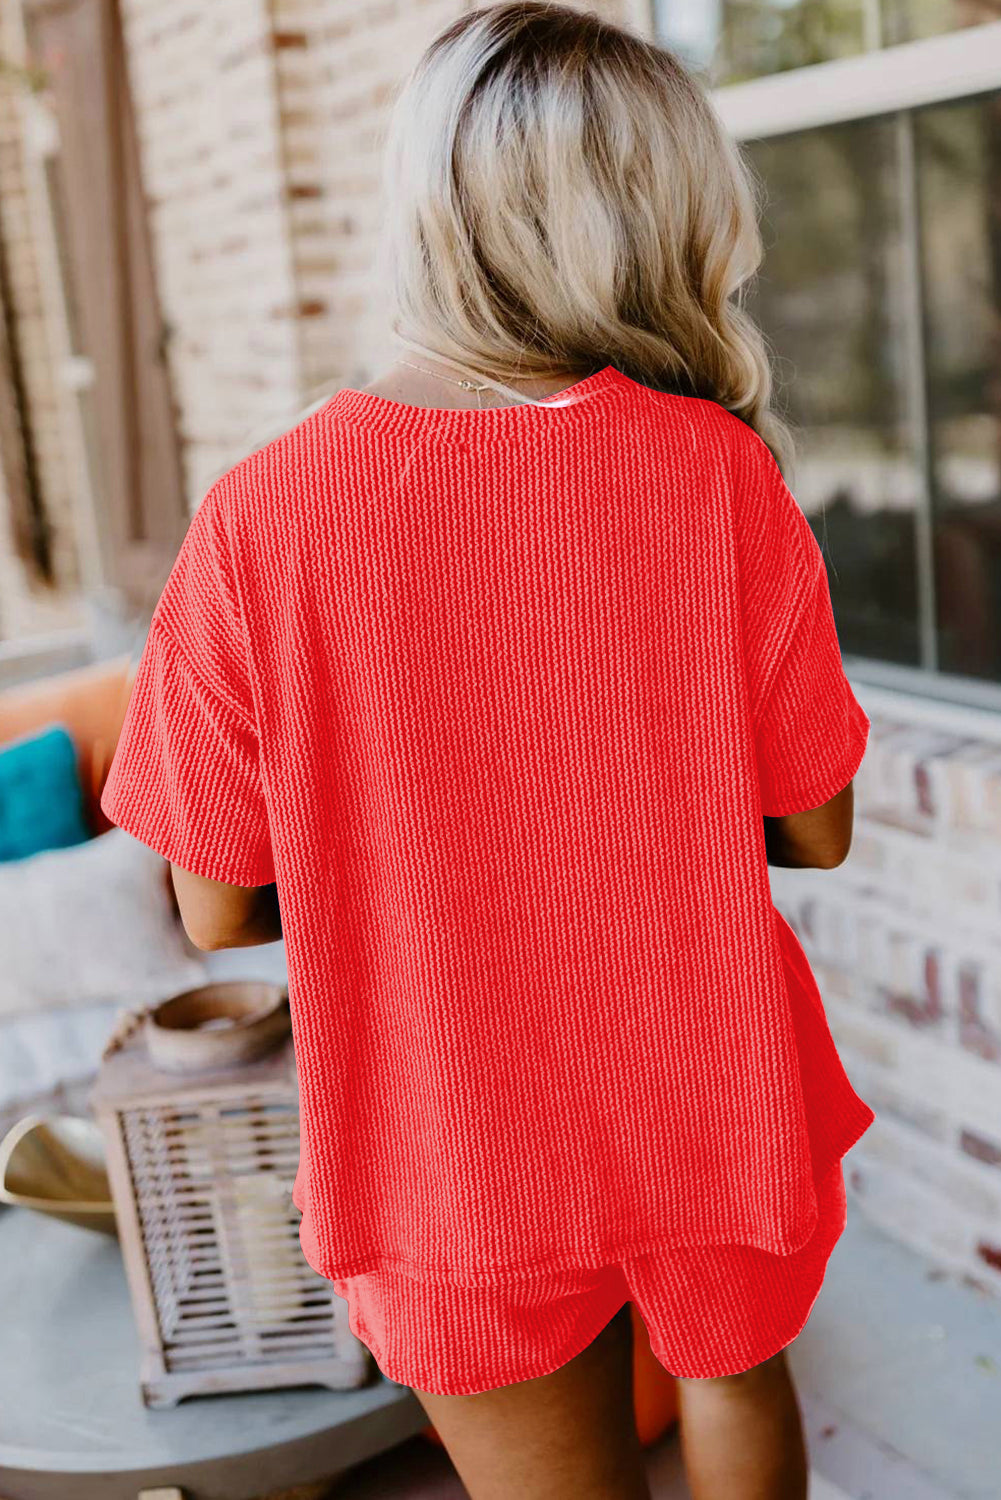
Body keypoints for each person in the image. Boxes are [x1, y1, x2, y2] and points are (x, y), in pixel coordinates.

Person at [99, 4, 875, 1497]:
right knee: (736, 1380)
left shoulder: (258, 518)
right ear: (664, 220)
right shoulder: (717, 471)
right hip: (708, 1084)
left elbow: (210, 904)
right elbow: (818, 826)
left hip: (443, 1121)